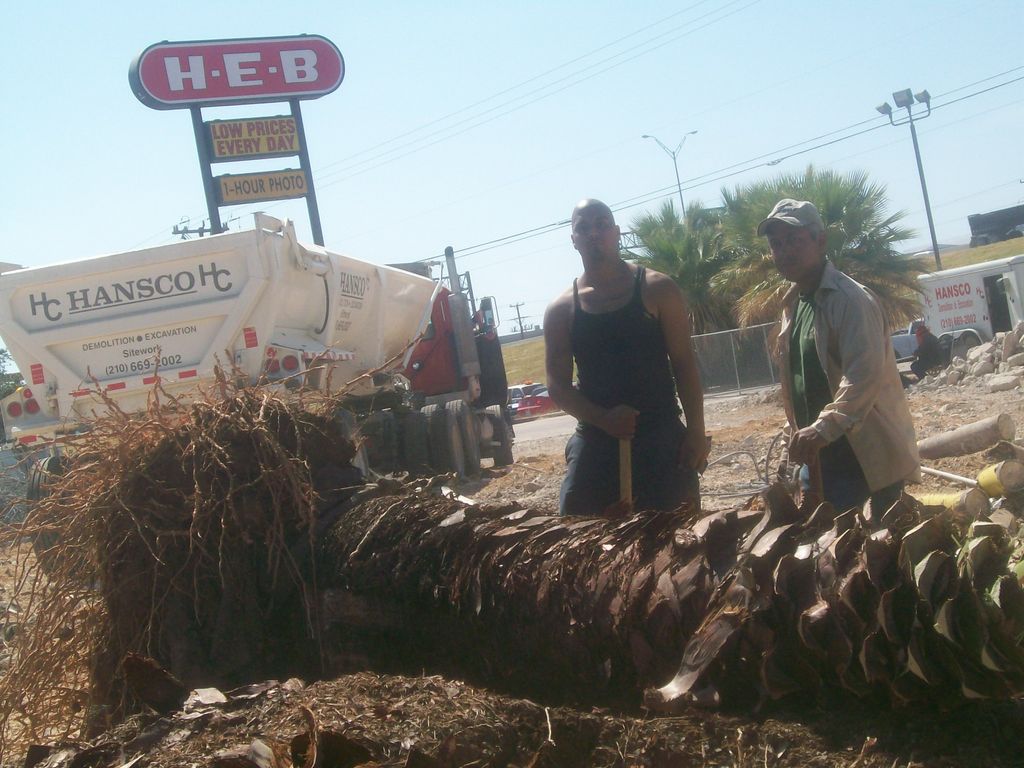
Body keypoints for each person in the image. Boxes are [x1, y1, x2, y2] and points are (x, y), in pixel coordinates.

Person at [544, 198, 708, 516]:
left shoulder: (658, 290)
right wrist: (604, 419)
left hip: (660, 435)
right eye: (583, 227)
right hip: (596, 438)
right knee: (575, 531)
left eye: (602, 224)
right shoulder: (562, 310)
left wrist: (697, 431)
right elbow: (558, 388)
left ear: (617, 232)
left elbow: (685, 364)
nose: (594, 233)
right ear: (573, 240)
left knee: (678, 538)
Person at [759, 198, 920, 513]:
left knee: (869, 555)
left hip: (863, 463)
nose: (784, 251)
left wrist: (820, 430)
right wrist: (794, 441)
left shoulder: (849, 300)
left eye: (794, 240)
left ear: (821, 241)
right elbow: (801, 385)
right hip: (819, 459)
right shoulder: (794, 303)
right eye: (776, 244)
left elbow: (863, 376)